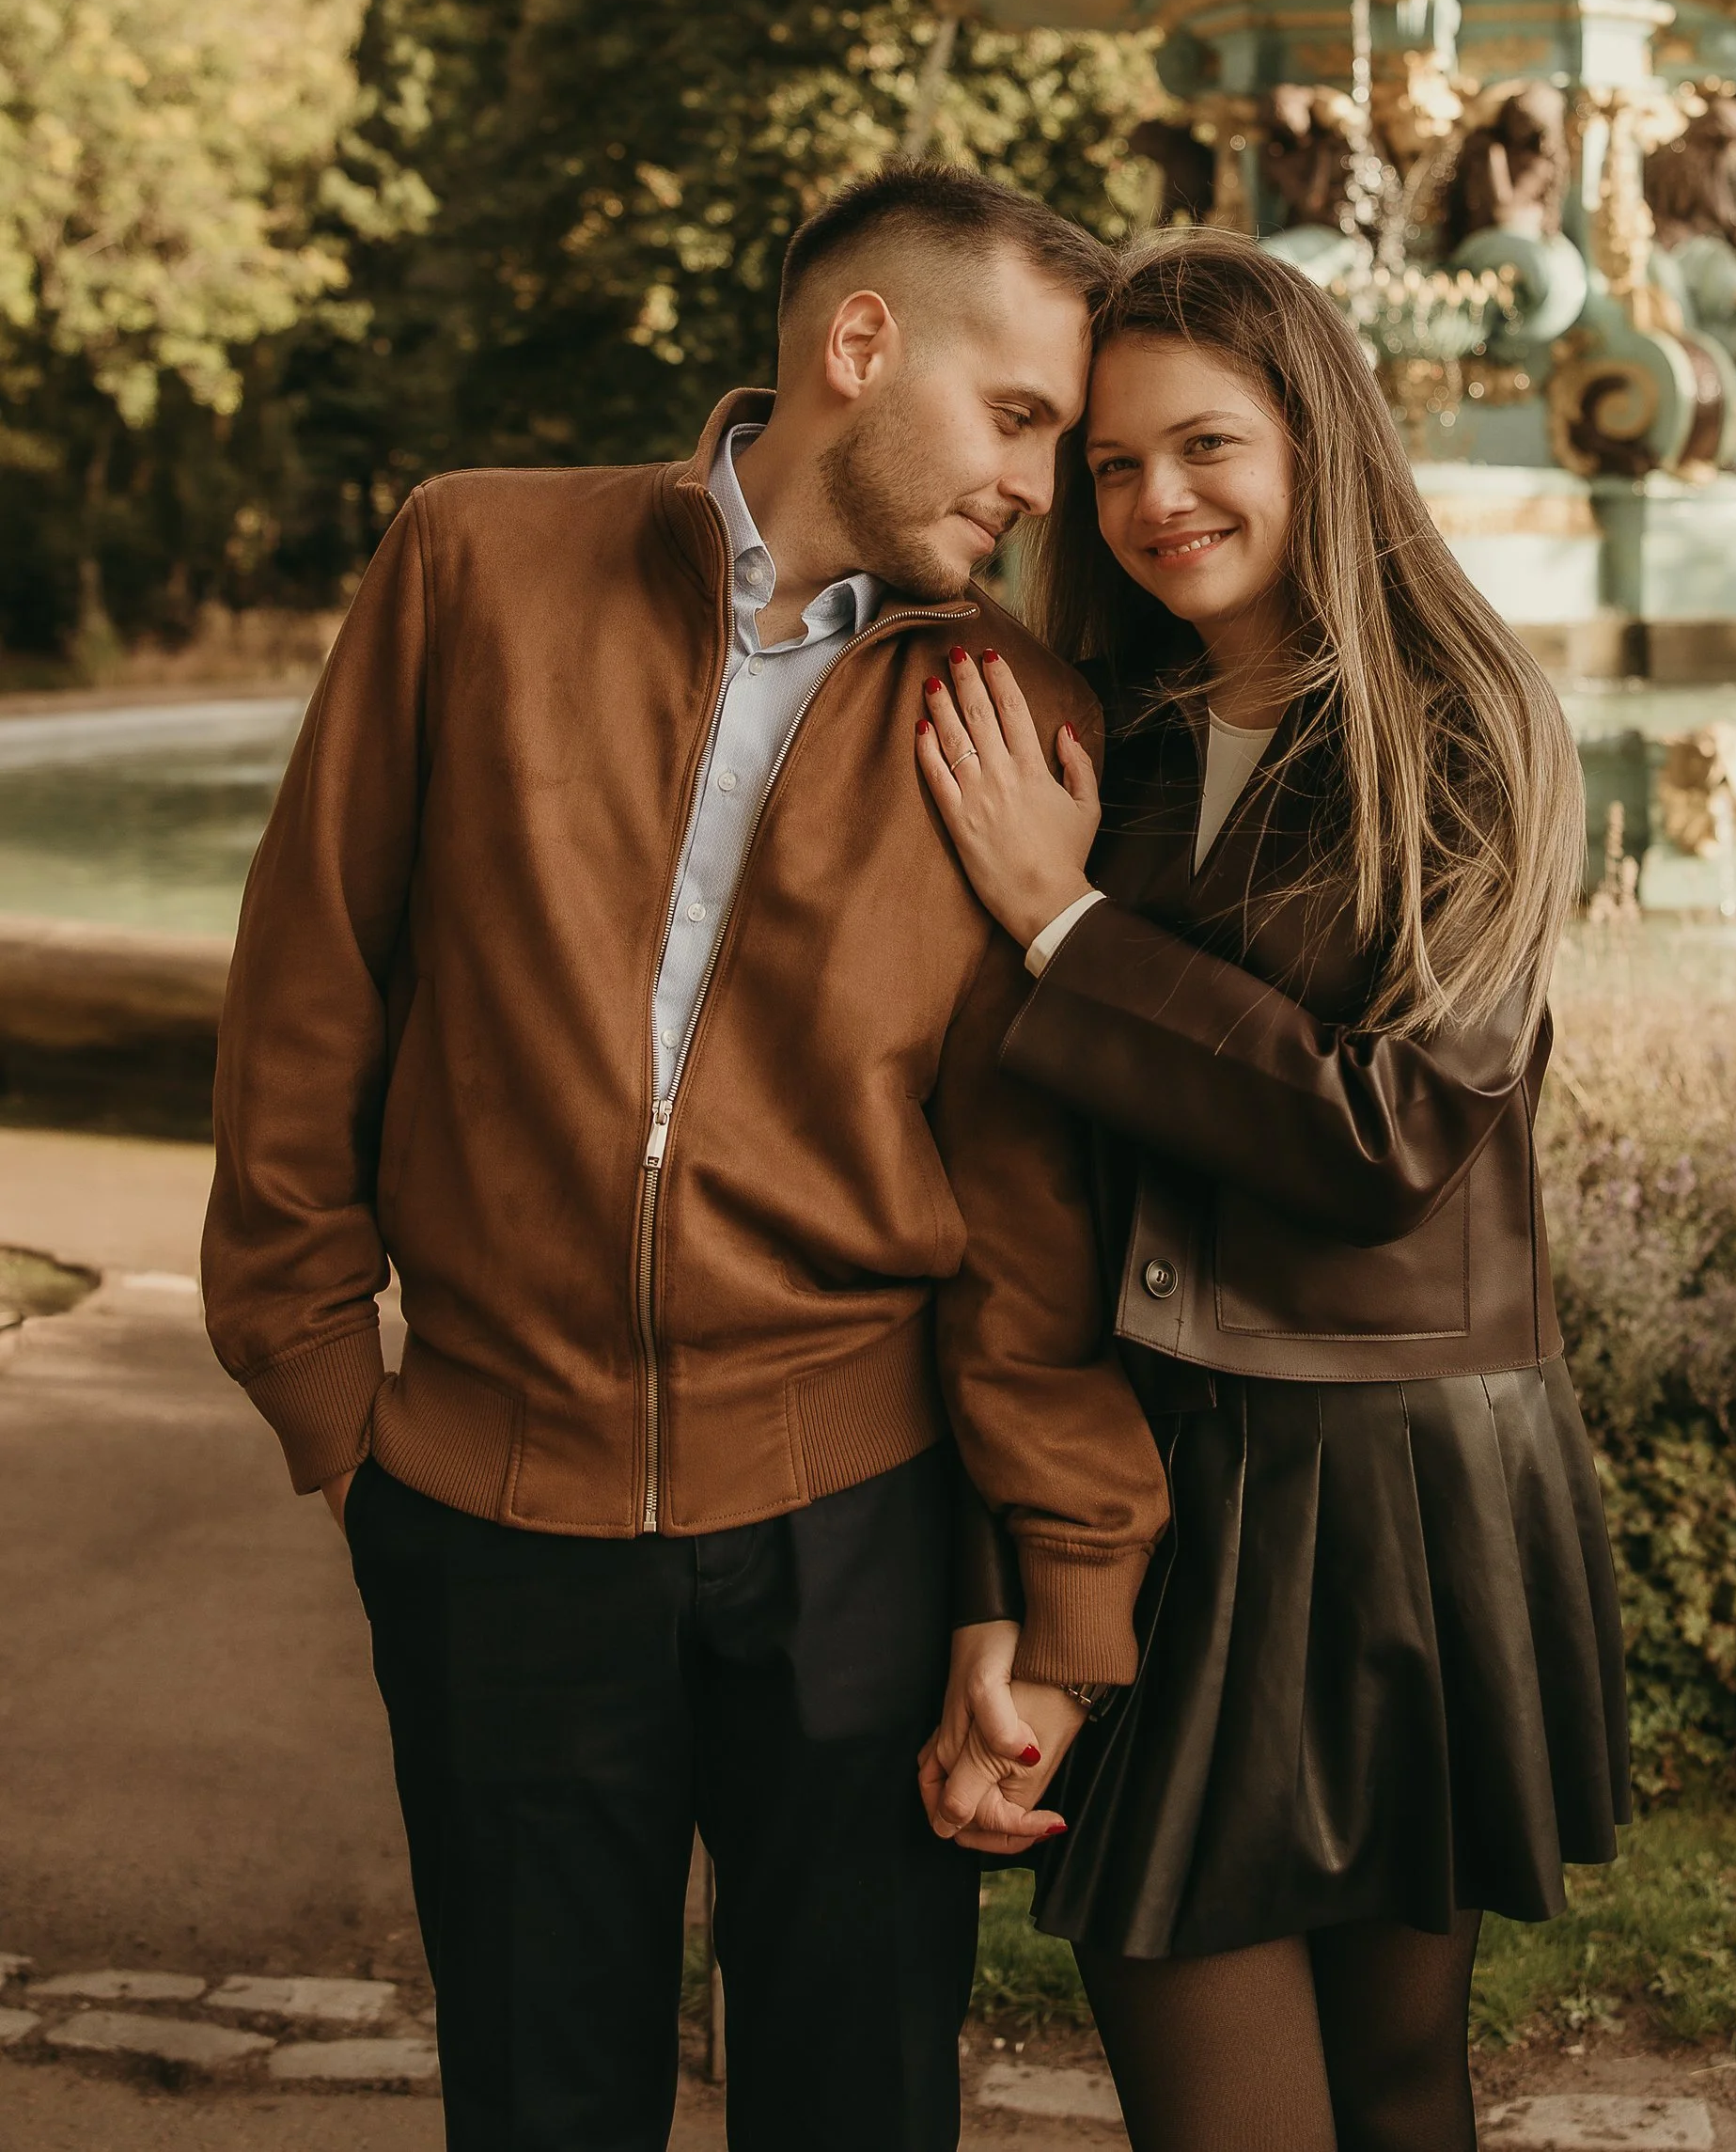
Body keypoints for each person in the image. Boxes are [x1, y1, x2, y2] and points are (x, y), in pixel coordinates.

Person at [201, 165, 1168, 2152]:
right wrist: (328, 1393)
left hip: (855, 1531)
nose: (1038, 486)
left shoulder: (1017, 716)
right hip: (483, 1515)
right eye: (1018, 420)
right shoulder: (468, 563)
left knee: (855, 2101)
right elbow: (311, 985)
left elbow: (1017, 1216)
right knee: (539, 2102)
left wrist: (1058, 1592)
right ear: (858, 343)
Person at [914, 229, 1628, 2152]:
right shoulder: (1094, 741)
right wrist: (1009, 1573)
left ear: (1314, 439)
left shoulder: (1468, 730)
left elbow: (1385, 1138)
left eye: (1203, 446)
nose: (1153, 501)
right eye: (1113, 465)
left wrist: (1060, 924)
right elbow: (1020, 1190)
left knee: (1399, 2083)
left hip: (1401, 1481)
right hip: (1149, 1473)